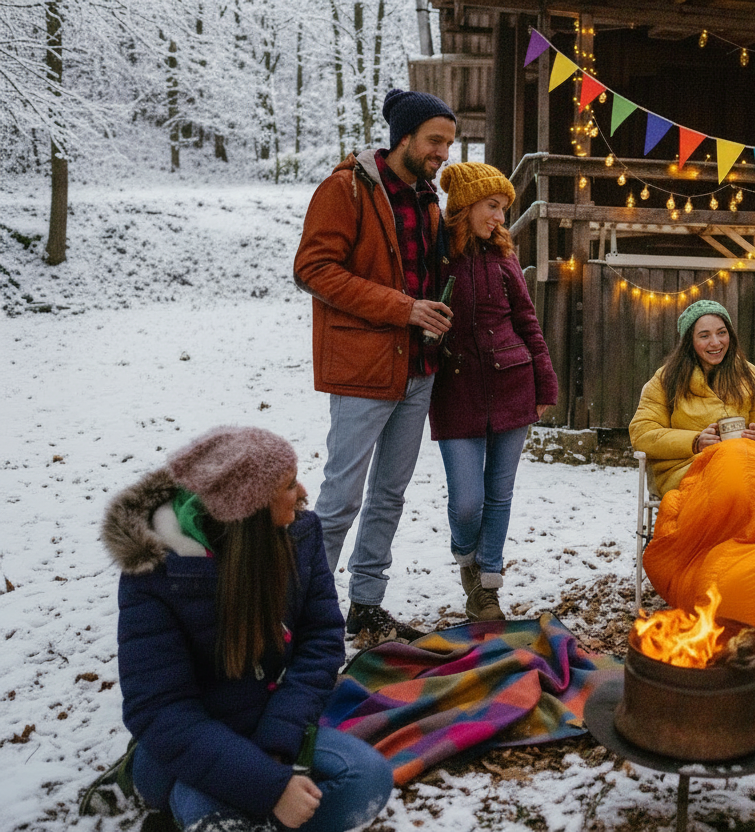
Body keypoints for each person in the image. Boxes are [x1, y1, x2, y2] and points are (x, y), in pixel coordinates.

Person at [104, 426, 394, 832]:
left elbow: (322, 642)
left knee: (367, 779)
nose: (303, 491)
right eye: (289, 484)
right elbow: (160, 708)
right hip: (193, 739)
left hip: (273, 721)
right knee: (211, 806)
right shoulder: (155, 574)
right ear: (250, 507)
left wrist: (276, 744)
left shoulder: (301, 536)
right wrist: (270, 786)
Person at [294, 88, 457, 641]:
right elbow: (313, 269)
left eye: (449, 143)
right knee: (340, 499)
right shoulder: (345, 189)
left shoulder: (428, 197)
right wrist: (405, 308)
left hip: (419, 372)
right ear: (403, 138)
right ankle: (302, 616)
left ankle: (365, 605)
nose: (443, 152)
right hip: (364, 370)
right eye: (436, 141)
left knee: (389, 495)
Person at [428, 163, 558, 621]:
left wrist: (545, 381)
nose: (500, 217)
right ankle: (466, 556)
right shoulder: (436, 252)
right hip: (455, 390)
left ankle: (487, 587)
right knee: (467, 502)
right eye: (492, 206)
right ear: (465, 206)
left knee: (499, 497)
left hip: (512, 385)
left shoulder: (504, 257)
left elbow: (527, 322)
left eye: (503, 208)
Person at [629, 299, 755, 497]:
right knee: (737, 487)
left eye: (722, 332)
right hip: (686, 470)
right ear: (689, 342)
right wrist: (695, 442)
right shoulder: (667, 379)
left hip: (747, 465)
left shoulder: (752, 377)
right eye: (704, 336)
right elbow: (642, 433)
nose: (716, 342)